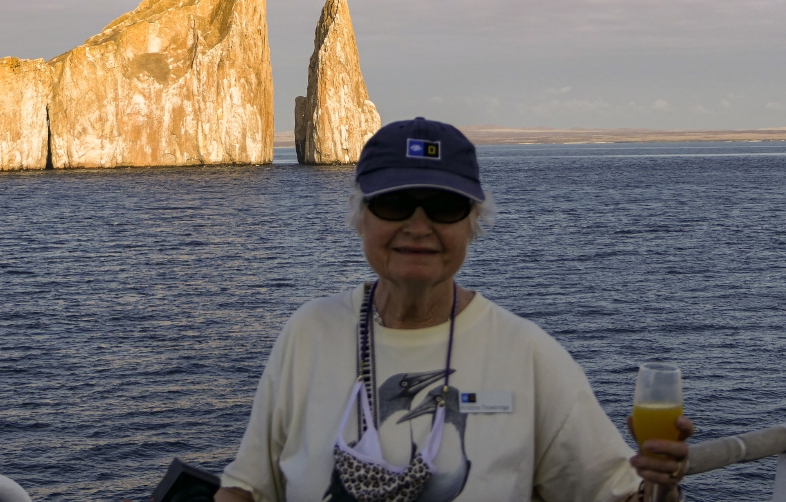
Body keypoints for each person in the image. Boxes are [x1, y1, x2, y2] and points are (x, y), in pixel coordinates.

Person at [217, 118, 694, 502]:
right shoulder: (309, 333)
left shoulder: (528, 354)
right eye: (394, 203)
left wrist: (662, 486)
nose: (417, 225)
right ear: (360, 216)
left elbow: (616, 494)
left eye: (444, 206)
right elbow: (246, 489)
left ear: (473, 223)